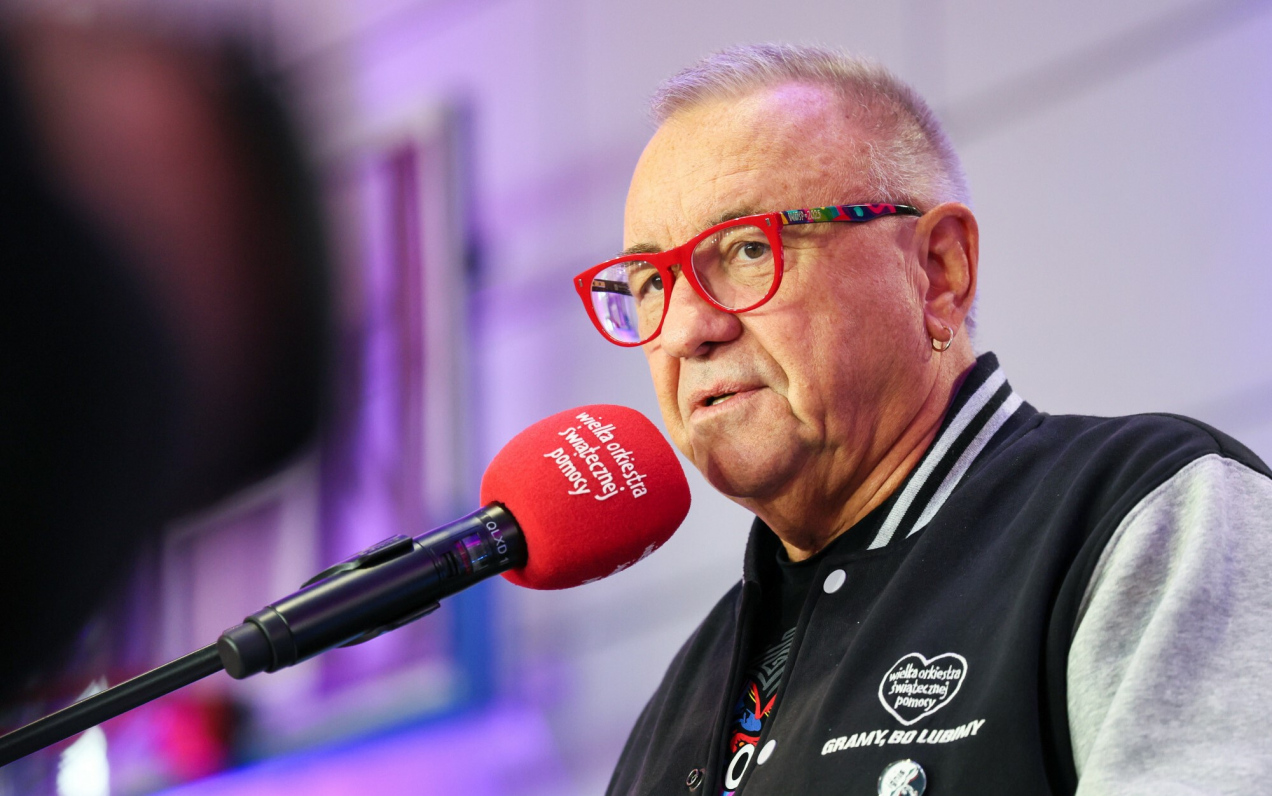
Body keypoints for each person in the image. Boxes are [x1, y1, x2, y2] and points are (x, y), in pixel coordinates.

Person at [571, 44, 1272, 795]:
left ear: (939, 273)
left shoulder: (1147, 512)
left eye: (747, 250)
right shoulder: (680, 704)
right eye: (651, 283)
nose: (686, 330)